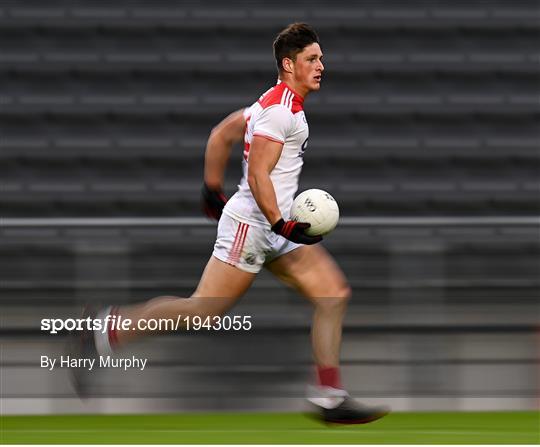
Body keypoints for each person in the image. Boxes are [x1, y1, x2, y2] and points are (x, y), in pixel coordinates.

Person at [74, 22, 389, 424]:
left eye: (322, 58)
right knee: (202, 310)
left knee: (333, 295)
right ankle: (104, 330)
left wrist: (211, 187)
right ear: (289, 65)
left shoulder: (269, 105)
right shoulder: (279, 114)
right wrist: (278, 222)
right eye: (312, 59)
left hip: (275, 225)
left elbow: (221, 134)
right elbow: (258, 175)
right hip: (255, 226)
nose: (321, 65)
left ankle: (328, 395)